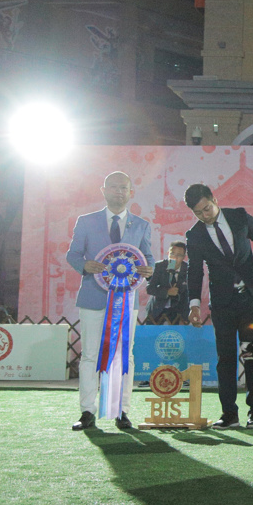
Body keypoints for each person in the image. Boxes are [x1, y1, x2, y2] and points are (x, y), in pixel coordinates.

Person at [185, 184, 253, 430]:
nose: (205, 216)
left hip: (251, 299)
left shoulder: (240, 217)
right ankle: (229, 414)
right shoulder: (194, 235)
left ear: (214, 200)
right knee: (225, 358)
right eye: (198, 213)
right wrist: (194, 304)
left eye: (207, 209)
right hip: (222, 304)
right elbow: (194, 271)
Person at [66, 172, 154, 431]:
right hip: (93, 298)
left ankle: (122, 411)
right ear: (103, 190)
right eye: (113, 187)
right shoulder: (86, 221)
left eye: (123, 187)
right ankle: (87, 411)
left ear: (131, 192)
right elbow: (73, 254)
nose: (119, 191)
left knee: (125, 355)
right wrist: (85, 265)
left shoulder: (141, 225)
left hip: (127, 301)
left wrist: (149, 269)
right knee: (89, 355)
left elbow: (147, 257)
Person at [144, 241, 190, 324]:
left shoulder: (187, 269)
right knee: (152, 331)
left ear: (184, 257)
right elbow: (149, 289)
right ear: (168, 253)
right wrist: (167, 292)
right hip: (157, 309)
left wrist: (185, 316)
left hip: (177, 311)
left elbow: (188, 293)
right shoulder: (158, 266)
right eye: (172, 254)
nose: (174, 258)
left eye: (179, 255)